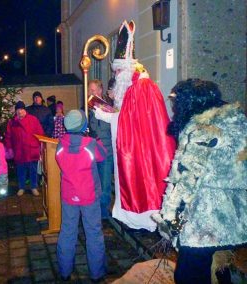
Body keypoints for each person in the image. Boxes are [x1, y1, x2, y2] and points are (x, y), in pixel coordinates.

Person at [153, 79, 247, 284]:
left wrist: (169, 220)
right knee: (218, 266)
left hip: (205, 217)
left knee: (189, 274)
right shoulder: (238, 121)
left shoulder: (202, 130)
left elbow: (185, 179)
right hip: (234, 214)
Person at [94, 20, 176, 231]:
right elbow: (129, 119)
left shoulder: (140, 87)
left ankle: (143, 219)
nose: (115, 76)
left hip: (142, 148)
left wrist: (107, 117)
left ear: (125, 70)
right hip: (137, 145)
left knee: (144, 181)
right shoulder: (132, 86)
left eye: (117, 73)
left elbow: (130, 124)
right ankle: (134, 218)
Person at [55, 110, 107, 282]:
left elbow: (60, 160)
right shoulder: (91, 144)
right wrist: (96, 138)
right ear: (84, 126)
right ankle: (97, 273)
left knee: (67, 231)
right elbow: (103, 155)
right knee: (93, 232)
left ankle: (64, 271)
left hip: (69, 195)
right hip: (89, 195)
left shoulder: (61, 144)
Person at [5, 101, 44, 196]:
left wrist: (40, 146)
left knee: (33, 171)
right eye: (18, 110)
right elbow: (8, 136)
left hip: (32, 150)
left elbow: (40, 133)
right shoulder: (12, 123)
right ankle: (21, 187)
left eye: (21, 109)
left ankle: (34, 187)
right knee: (20, 171)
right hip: (19, 151)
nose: (19, 112)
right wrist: (9, 148)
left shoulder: (33, 119)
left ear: (25, 110)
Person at [88, 79, 114, 220]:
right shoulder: (87, 108)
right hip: (92, 151)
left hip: (106, 151)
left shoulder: (108, 106)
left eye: (93, 90)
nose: (90, 93)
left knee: (104, 184)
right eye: (89, 90)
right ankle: (95, 209)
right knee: (94, 183)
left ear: (100, 90)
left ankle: (103, 214)